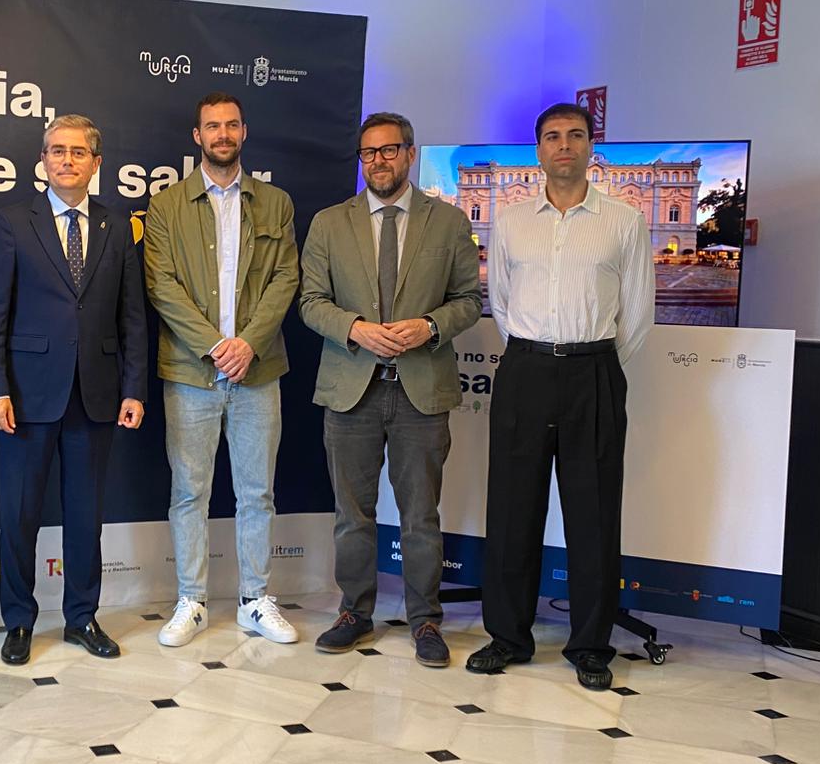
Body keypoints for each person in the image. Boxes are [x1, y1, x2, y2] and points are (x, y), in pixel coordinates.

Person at [466, 102, 655, 690]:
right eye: (552, 137)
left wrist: (591, 361)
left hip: (593, 372)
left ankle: (591, 645)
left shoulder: (624, 221)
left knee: (593, 514)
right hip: (524, 370)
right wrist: (537, 353)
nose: (564, 145)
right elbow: (501, 302)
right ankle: (507, 637)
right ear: (539, 150)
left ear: (592, 146)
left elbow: (637, 313)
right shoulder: (511, 221)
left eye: (575, 135)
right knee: (512, 510)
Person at [298, 112, 482, 664]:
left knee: (420, 516)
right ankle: (354, 613)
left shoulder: (448, 222)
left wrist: (429, 327)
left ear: (409, 153)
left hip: (420, 392)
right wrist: (355, 328)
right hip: (350, 390)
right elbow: (310, 302)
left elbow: (469, 300)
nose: (378, 161)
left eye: (389, 150)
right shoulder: (330, 223)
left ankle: (425, 621)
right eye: (368, 152)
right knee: (351, 515)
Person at [0, 114, 147, 665]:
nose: (66, 160)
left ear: (96, 163)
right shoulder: (13, 222)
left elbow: (132, 316)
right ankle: (19, 620)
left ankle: (82, 617)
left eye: (77, 152)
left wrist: (134, 388)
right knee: (19, 514)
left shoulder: (117, 226)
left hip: (96, 395)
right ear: (43, 161)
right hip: (26, 397)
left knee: (85, 515)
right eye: (56, 151)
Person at [143, 92, 300, 647]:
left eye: (231, 125)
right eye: (212, 126)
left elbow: (286, 278)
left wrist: (248, 344)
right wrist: (215, 346)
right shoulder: (165, 206)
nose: (223, 134)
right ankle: (192, 600)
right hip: (191, 372)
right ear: (198, 136)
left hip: (258, 370)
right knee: (190, 492)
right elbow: (161, 285)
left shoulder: (276, 203)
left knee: (257, 493)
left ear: (244, 132)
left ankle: (255, 600)